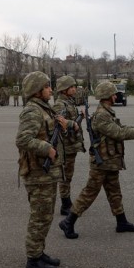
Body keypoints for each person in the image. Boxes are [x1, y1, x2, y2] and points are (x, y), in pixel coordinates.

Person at [59, 82, 134, 239]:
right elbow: (118, 132)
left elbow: (120, 128)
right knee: (90, 193)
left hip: (110, 160)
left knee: (114, 192)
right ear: (108, 97)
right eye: (114, 94)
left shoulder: (107, 112)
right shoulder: (102, 115)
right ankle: (68, 221)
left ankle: (121, 222)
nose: (116, 96)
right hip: (102, 162)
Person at [15, 71, 68, 268]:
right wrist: (47, 148)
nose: (50, 90)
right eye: (47, 87)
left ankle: (39, 252)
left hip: (46, 173)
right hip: (38, 174)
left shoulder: (43, 108)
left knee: (45, 216)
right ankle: (33, 259)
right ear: (37, 90)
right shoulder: (32, 111)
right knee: (39, 217)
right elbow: (23, 139)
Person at [53, 75, 86, 216]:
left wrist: (80, 118)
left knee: (68, 174)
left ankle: (66, 202)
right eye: (71, 87)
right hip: (65, 146)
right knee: (65, 175)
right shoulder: (60, 104)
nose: (74, 89)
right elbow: (59, 122)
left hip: (71, 144)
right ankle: (65, 204)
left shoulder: (69, 102)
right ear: (64, 90)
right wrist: (74, 124)